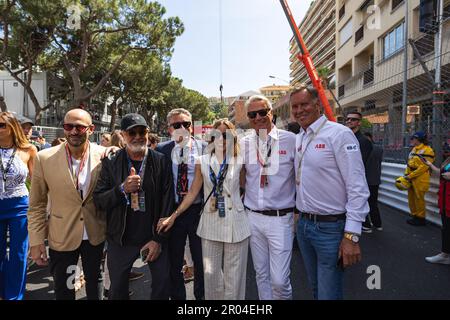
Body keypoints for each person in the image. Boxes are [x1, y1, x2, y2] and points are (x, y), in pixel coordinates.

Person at [290, 85, 369, 300]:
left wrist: (351, 236)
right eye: (294, 106)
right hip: (305, 226)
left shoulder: (339, 134)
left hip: (331, 229)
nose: (299, 110)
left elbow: (357, 187)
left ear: (317, 104)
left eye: (304, 104)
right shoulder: (300, 137)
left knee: (328, 294)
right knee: (316, 290)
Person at [158, 119, 250, 300]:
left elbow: (246, 186)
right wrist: (174, 216)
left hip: (236, 223)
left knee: (235, 277)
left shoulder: (241, 160)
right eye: (217, 134)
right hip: (210, 222)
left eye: (226, 135)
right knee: (211, 276)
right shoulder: (203, 161)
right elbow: (192, 193)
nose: (221, 139)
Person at [28, 109, 107, 300]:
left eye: (79, 127)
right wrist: (37, 240)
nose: (73, 131)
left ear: (91, 129)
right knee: (65, 286)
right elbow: (37, 204)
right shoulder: (44, 157)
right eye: (68, 126)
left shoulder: (104, 155)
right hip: (62, 233)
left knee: (95, 282)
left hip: (95, 233)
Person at [93, 113, 173, 300]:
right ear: (123, 135)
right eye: (132, 132)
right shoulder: (111, 162)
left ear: (148, 132)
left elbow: (168, 201)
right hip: (121, 239)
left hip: (153, 236)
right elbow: (99, 200)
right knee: (117, 290)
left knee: (161, 286)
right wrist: (122, 189)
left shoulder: (161, 161)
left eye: (142, 131)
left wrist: (158, 239)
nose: (138, 136)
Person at [240, 95, 296, 300]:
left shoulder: (291, 140)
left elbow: (301, 177)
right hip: (253, 217)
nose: (258, 117)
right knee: (261, 274)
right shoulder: (244, 143)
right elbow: (240, 175)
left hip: (281, 219)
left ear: (271, 112)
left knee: (280, 281)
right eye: (252, 114)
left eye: (263, 112)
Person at [156, 108, 206, 300]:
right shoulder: (162, 150)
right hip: (173, 212)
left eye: (187, 124)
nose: (183, 128)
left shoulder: (204, 147)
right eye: (177, 125)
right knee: (174, 263)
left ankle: (200, 299)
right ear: (169, 129)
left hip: (198, 213)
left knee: (201, 263)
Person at [0, 112, 37, 300]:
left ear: (12, 127)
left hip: (20, 206)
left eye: (1, 125)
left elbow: (37, 182)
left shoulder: (28, 149)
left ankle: (14, 296)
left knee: (19, 254)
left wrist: (42, 210)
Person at [422, 142, 450, 264]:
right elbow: (441, 173)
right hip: (445, 199)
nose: (445, 150)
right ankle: (445, 254)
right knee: (446, 228)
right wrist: (429, 164)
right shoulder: (447, 160)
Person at [405, 131, 435, 226]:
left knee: (419, 198)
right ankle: (414, 216)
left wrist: (410, 176)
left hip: (421, 178)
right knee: (411, 198)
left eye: (413, 138)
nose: (412, 140)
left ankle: (421, 218)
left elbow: (424, 167)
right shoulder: (414, 150)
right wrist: (406, 175)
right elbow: (409, 163)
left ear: (419, 139)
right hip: (411, 177)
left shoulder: (428, 150)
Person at [362, 132, 384, 233]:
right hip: (375, 180)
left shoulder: (361, 149)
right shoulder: (379, 149)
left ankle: (366, 225)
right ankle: (377, 224)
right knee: (373, 203)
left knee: (363, 203)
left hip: (365, 180)